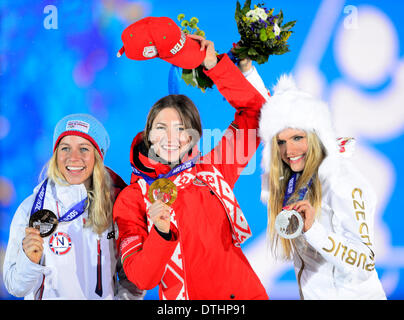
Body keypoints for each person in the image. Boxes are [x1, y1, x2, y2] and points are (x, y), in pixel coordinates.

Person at [113, 17, 269, 300]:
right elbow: (141, 278)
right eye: (161, 128)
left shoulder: (214, 168)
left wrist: (215, 66)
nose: (171, 138)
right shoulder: (132, 199)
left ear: (192, 138)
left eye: (181, 129)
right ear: (148, 136)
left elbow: (257, 115)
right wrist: (160, 233)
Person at [258, 74, 386, 299]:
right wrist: (247, 69)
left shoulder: (343, 181)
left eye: (297, 138)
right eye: (281, 142)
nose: (289, 151)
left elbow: (364, 263)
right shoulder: (294, 183)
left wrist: (313, 231)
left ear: (317, 136)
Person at [3, 113, 144, 300]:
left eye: (84, 149)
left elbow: (132, 279)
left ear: (97, 156)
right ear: (55, 154)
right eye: (65, 148)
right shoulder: (30, 209)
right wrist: (29, 261)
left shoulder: (117, 206)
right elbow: (15, 286)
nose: (73, 158)